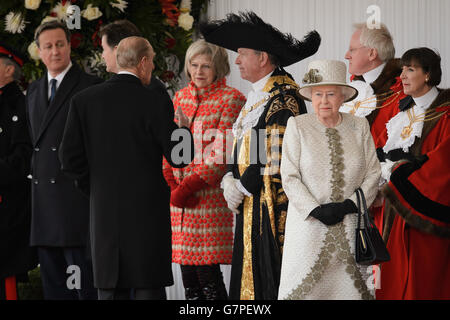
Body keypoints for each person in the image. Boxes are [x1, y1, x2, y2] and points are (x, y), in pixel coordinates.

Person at [59, 36, 194, 300]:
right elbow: (180, 157)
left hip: (104, 214)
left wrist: (95, 189)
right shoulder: (155, 101)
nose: (153, 67)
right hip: (147, 215)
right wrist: (185, 130)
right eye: (153, 61)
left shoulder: (83, 101)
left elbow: (68, 160)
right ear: (143, 63)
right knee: (148, 288)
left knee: (109, 290)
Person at [200, 11, 321, 300]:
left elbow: (273, 156)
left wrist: (240, 187)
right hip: (250, 202)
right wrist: (230, 177)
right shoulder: (261, 95)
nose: (237, 61)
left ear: (263, 58)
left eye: (242, 54)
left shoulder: (283, 98)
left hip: (268, 209)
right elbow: (244, 142)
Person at [278, 60, 381, 300]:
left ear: (343, 96)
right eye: (318, 94)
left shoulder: (359, 125)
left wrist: (350, 205)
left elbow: (373, 172)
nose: (324, 101)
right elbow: (289, 176)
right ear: (311, 97)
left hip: (352, 226)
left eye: (331, 94)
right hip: (308, 229)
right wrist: (315, 209)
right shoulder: (298, 125)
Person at [162, 39, 246, 300]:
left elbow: (222, 153)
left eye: (206, 66)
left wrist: (188, 186)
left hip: (207, 199)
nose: (198, 72)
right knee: (189, 277)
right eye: (194, 65)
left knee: (207, 275)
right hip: (180, 202)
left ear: (219, 68)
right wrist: (174, 185)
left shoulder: (231, 99)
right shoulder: (180, 97)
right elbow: (171, 144)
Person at [26, 21, 102, 300]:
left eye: (60, 44)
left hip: (76, 205)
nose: (55, 51)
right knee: (54, 289)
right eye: (48, 46)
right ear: (39, 51)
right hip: (44, 206)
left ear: (70, 46)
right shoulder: (33, 91)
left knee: (84, 289)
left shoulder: (90, 86)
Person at [374, 47, 450, 300]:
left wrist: (400, 173)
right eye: (403, 69)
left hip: (422, 212)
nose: (403, 76)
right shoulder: (401, 111)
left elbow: (442, 164)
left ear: (428, 74)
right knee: (389, 276)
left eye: (411, 69)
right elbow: (382, 150)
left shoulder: (446, 113)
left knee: (422, 280)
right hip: (392, 209)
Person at [0, 43, 38, 300]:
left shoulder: (20, 106)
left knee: (5, 279)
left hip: (8, 206)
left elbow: (23, 158)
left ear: (8, 69)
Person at [342, 22, 406, 142]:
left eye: (352, 50)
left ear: (372, 54)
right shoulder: (353, 87)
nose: (346, 56)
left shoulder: (401, 92)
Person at [99, 19, 167, 94]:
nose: (103, 56)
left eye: (104, 49)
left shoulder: (151, 91)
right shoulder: (153, 87)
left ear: (117, 50)